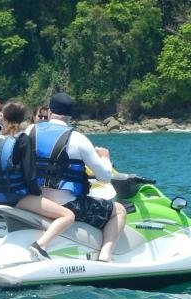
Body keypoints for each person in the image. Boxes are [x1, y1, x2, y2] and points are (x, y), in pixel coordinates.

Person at [28, 92, 126, 262]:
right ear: (70, 115)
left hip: (36, 200)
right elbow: (105, 177)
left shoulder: (30, 130)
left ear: (50, 111)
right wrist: (105, 158)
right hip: (67, 205)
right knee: (118, 210)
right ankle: (105, 256)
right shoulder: (78, 139)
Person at [0, 100, 74, 259]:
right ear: (23, 119)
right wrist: (39, 195)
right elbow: (30, 176)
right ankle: (40, 246)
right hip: (16, 198)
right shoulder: (22, 140)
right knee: (68, 216)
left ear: (3, 116)